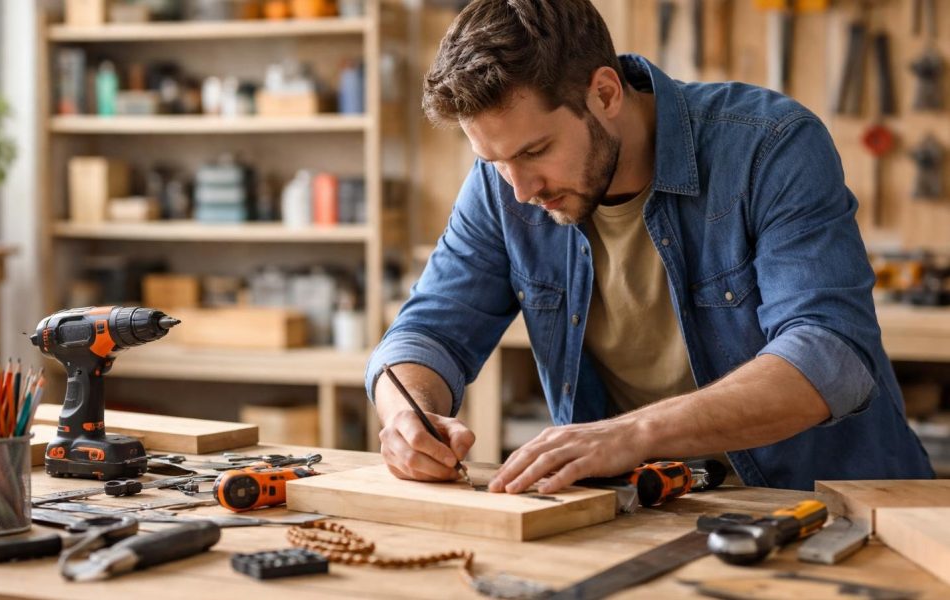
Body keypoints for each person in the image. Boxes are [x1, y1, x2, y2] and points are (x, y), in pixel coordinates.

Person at [365, 0, 934, 493]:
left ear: (605, 93)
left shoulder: (770, 146)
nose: (520, 188)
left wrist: (633, 434)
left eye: (536, 150)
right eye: (494, 161)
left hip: (823, 505)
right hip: (650, 510)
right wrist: (406, 416)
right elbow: (427, 332)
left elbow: (829, 357)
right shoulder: (504, 184)